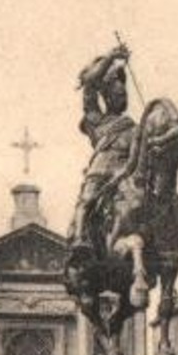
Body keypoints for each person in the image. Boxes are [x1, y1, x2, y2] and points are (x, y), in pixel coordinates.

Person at [67, 44, 137, 255]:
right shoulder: (96, 119)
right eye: (117, 95)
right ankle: (79, 237)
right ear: (106, 97)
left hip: (125, 173)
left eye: (124, 95)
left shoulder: (133, 127)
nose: (122, 98)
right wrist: (111, 57)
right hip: (101, 171)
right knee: (88, 198)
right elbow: (90, 82)